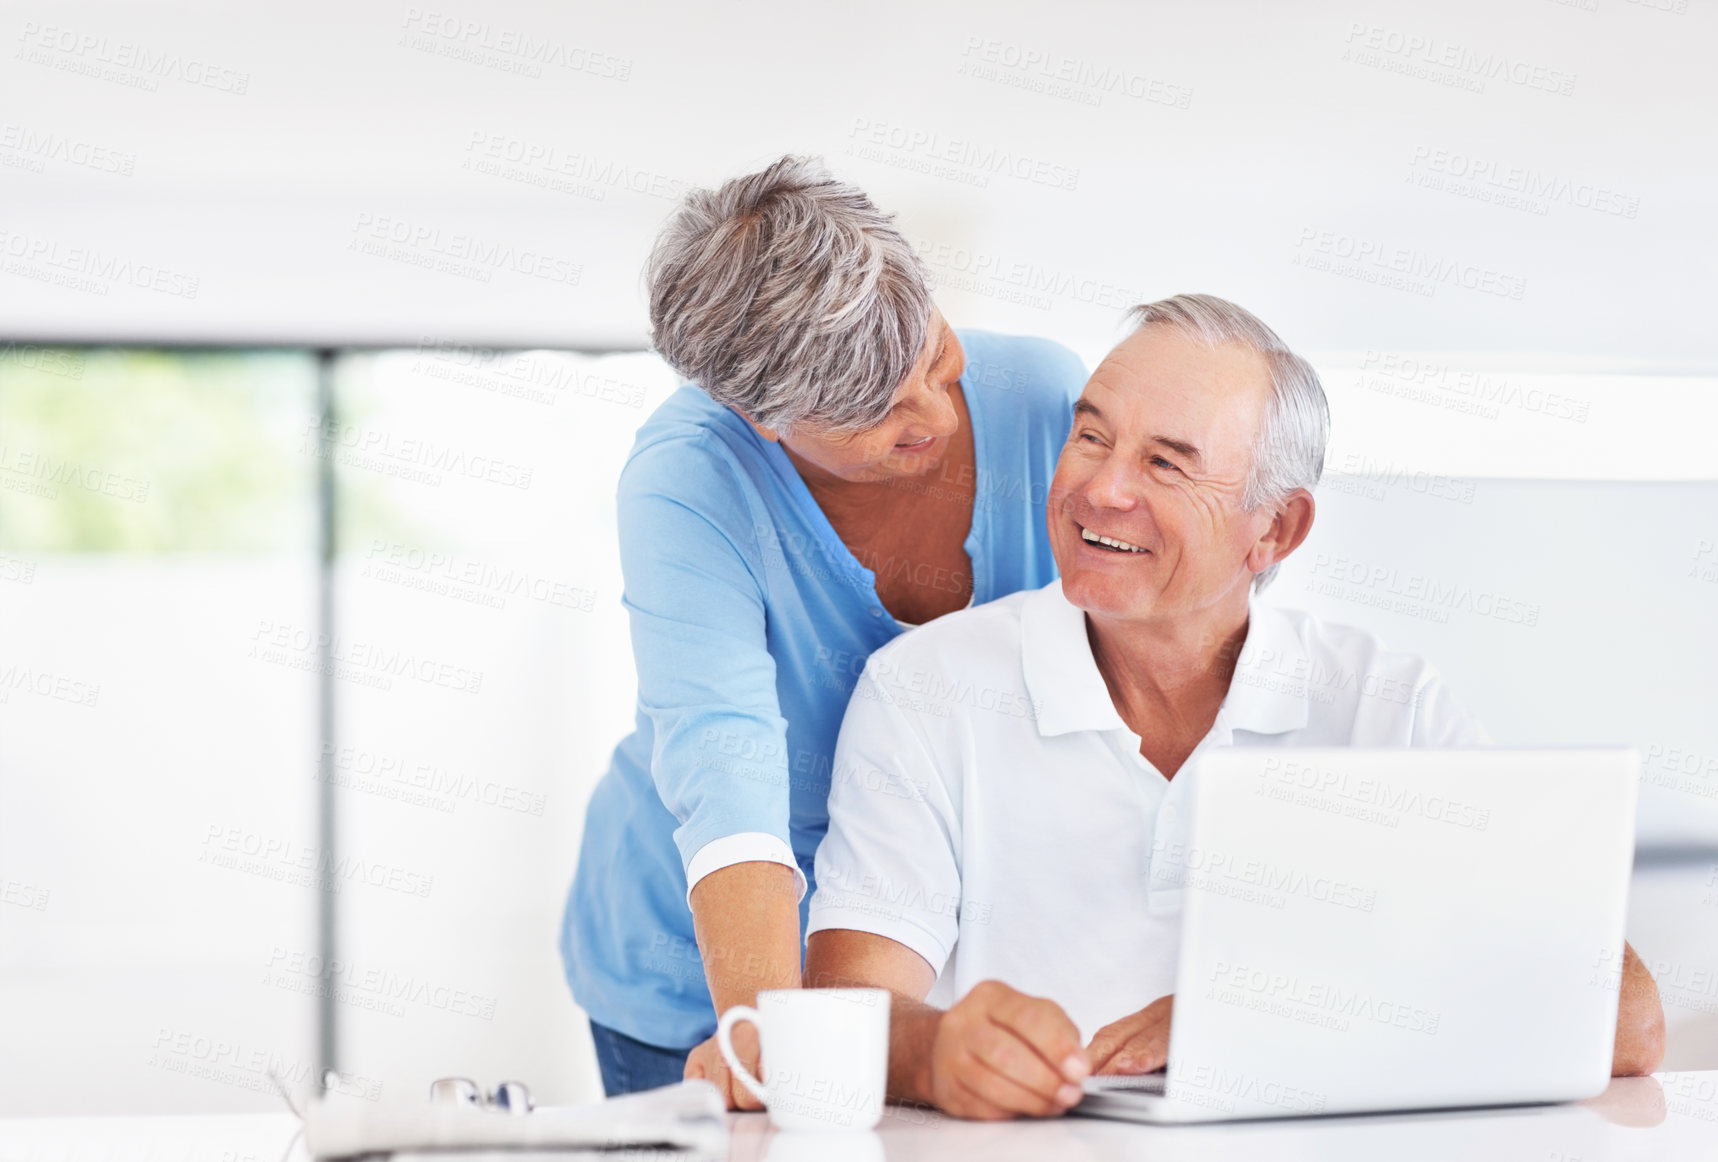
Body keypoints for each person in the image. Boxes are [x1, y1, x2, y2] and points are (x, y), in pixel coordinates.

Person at [803, 294, 1666, 1120]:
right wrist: (937, 1053)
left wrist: (1254, 1023)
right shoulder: (924, 690)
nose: (1101, 489)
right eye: (1091, 436)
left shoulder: (1388, 709)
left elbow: (1626, 1021)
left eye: (1166, 463)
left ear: (1277, 531)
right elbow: (849, 1012)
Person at [558, 155, 1088, 1105]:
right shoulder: (689, 480)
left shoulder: (1047, 401)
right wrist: (770, 1035)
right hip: (702, 967)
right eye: (875, 411)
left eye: (933, 357)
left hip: (917, 945)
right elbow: (726, 767)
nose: (932, 413)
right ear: (761, 419)